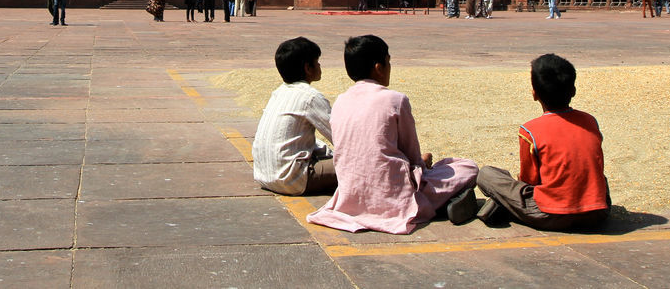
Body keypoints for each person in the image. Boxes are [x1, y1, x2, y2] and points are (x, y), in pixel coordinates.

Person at [307, 35, 481, 233]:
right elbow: (413, 156)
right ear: (379, 68)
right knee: (468, 167)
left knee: (445, 166)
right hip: (393, 196)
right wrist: (422, 163)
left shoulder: (340, 101)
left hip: (351, 195)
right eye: (388, 63)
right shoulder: (395, 100)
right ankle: (444, 202)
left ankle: (450, 201)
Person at [474, 53, 610, 231]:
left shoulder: (530, 130)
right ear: (573, 91)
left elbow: (530, 180)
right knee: (598, 178)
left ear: (534, 94)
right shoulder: (590, 121)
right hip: (597, 213)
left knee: (486, 174)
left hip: (549, 214)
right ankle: (505, 205)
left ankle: (504, 205)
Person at [253, 37, 336, 195]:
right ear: (308, 68)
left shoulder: (278, 92)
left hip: (264, 175)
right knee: (360, 164)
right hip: (291, 179)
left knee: (320, 148)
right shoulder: (310, 97)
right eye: (317, 62)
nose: (319, 65)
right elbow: (340, 137)